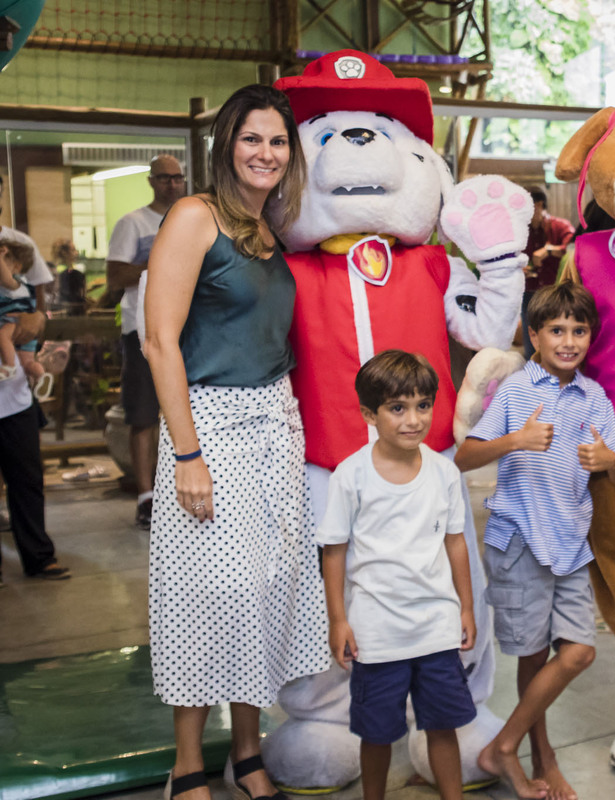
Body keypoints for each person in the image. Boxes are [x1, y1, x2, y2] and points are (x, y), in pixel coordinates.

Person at [142, 85, 328, 800]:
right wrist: (187, 454)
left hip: (275, 424)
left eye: (277, 141)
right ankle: (187, 762)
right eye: (252, 139)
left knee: (265, 589)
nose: (266, 153)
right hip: (210, 427)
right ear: (227, 145)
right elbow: (161, 341)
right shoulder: (195, 217)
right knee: (207, 594)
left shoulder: (269, 229)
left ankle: (247, 753)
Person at [456, 283, 615, 800]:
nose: (569, 340)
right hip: (520, 542)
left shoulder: (594, 396)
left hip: (572, 545)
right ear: (534, 336)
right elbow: (465, 455)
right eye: (557, 330)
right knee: (532, 659)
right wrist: (515, 441)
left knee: (577, 653)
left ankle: (504, 745)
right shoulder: (514, 392)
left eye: (579, 330)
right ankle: (541, 756)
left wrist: (611, 464)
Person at [318, 350, 477, 800]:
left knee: (442, 727)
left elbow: (455, 542)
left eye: (423, 405)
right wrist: (338, 620)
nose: (413, 420)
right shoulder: (351, 476)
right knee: (377, 733)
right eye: (397, 408)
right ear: (369, 413)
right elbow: (335, 551)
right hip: (377, 633)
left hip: (436, 629)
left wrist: (465, 607)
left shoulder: (445, 472)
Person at [108, 154, 186, 529]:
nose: (172, 184)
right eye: (165, 178)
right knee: (143, 415)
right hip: (143, 329)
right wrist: (160, 263)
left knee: (184, 411)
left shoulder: (191, 219)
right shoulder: (133, 223)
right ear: (152, 181)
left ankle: (178, 490)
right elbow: (115, 274)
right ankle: (145, 496)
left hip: (187, 330)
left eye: (177, 178)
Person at [0, 224, 69, 586]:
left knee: (27, 477)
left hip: (13, 395)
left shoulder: (18, 243)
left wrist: (35, 318)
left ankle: (38, 556)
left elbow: (38, 308)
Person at [520, 187, 574, 357]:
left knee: (557, 340)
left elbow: (574, 248)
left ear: (538, 205)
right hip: (529, 293)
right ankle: (533, 379)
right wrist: (520, 269)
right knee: (531, 343)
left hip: (555, 293)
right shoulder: (521, 230)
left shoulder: (560, 226)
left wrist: (549, 250)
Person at [0, 239, 49, 396]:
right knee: (27, 363)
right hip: (21, 332)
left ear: (17, 268)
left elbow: (5, 278)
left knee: (2, 336)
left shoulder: (16, 285)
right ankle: (41, 376)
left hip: (15, 323)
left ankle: (8, 366)